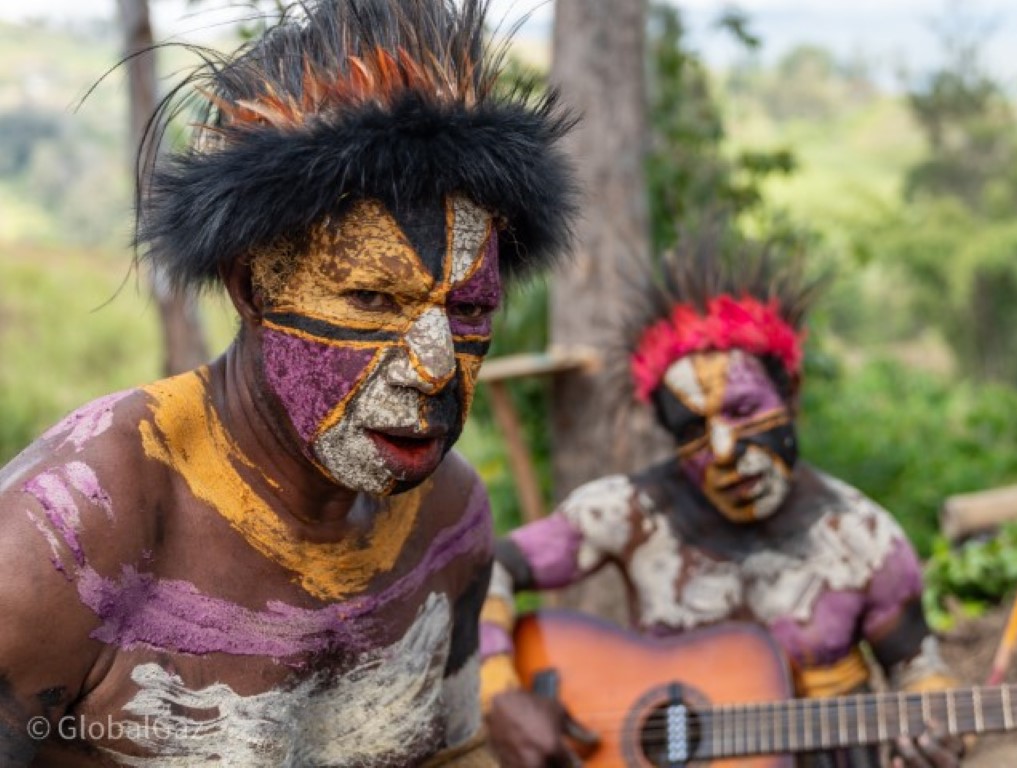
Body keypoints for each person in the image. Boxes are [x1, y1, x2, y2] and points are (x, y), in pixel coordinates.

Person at [0, 0, 577, 764]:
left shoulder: (447, 522)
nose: (436, 365)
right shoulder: (67, 539)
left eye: (470, 308)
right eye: (373, 298)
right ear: (252, 287)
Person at [479, 232, 966, 768]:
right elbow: (487, 567)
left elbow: (920, 669)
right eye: (692, 429)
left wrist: (935, 728)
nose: (722, 450)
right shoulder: (633, 513)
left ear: (791, 396)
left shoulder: (862, 538)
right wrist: (499, 691)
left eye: (741, 410)